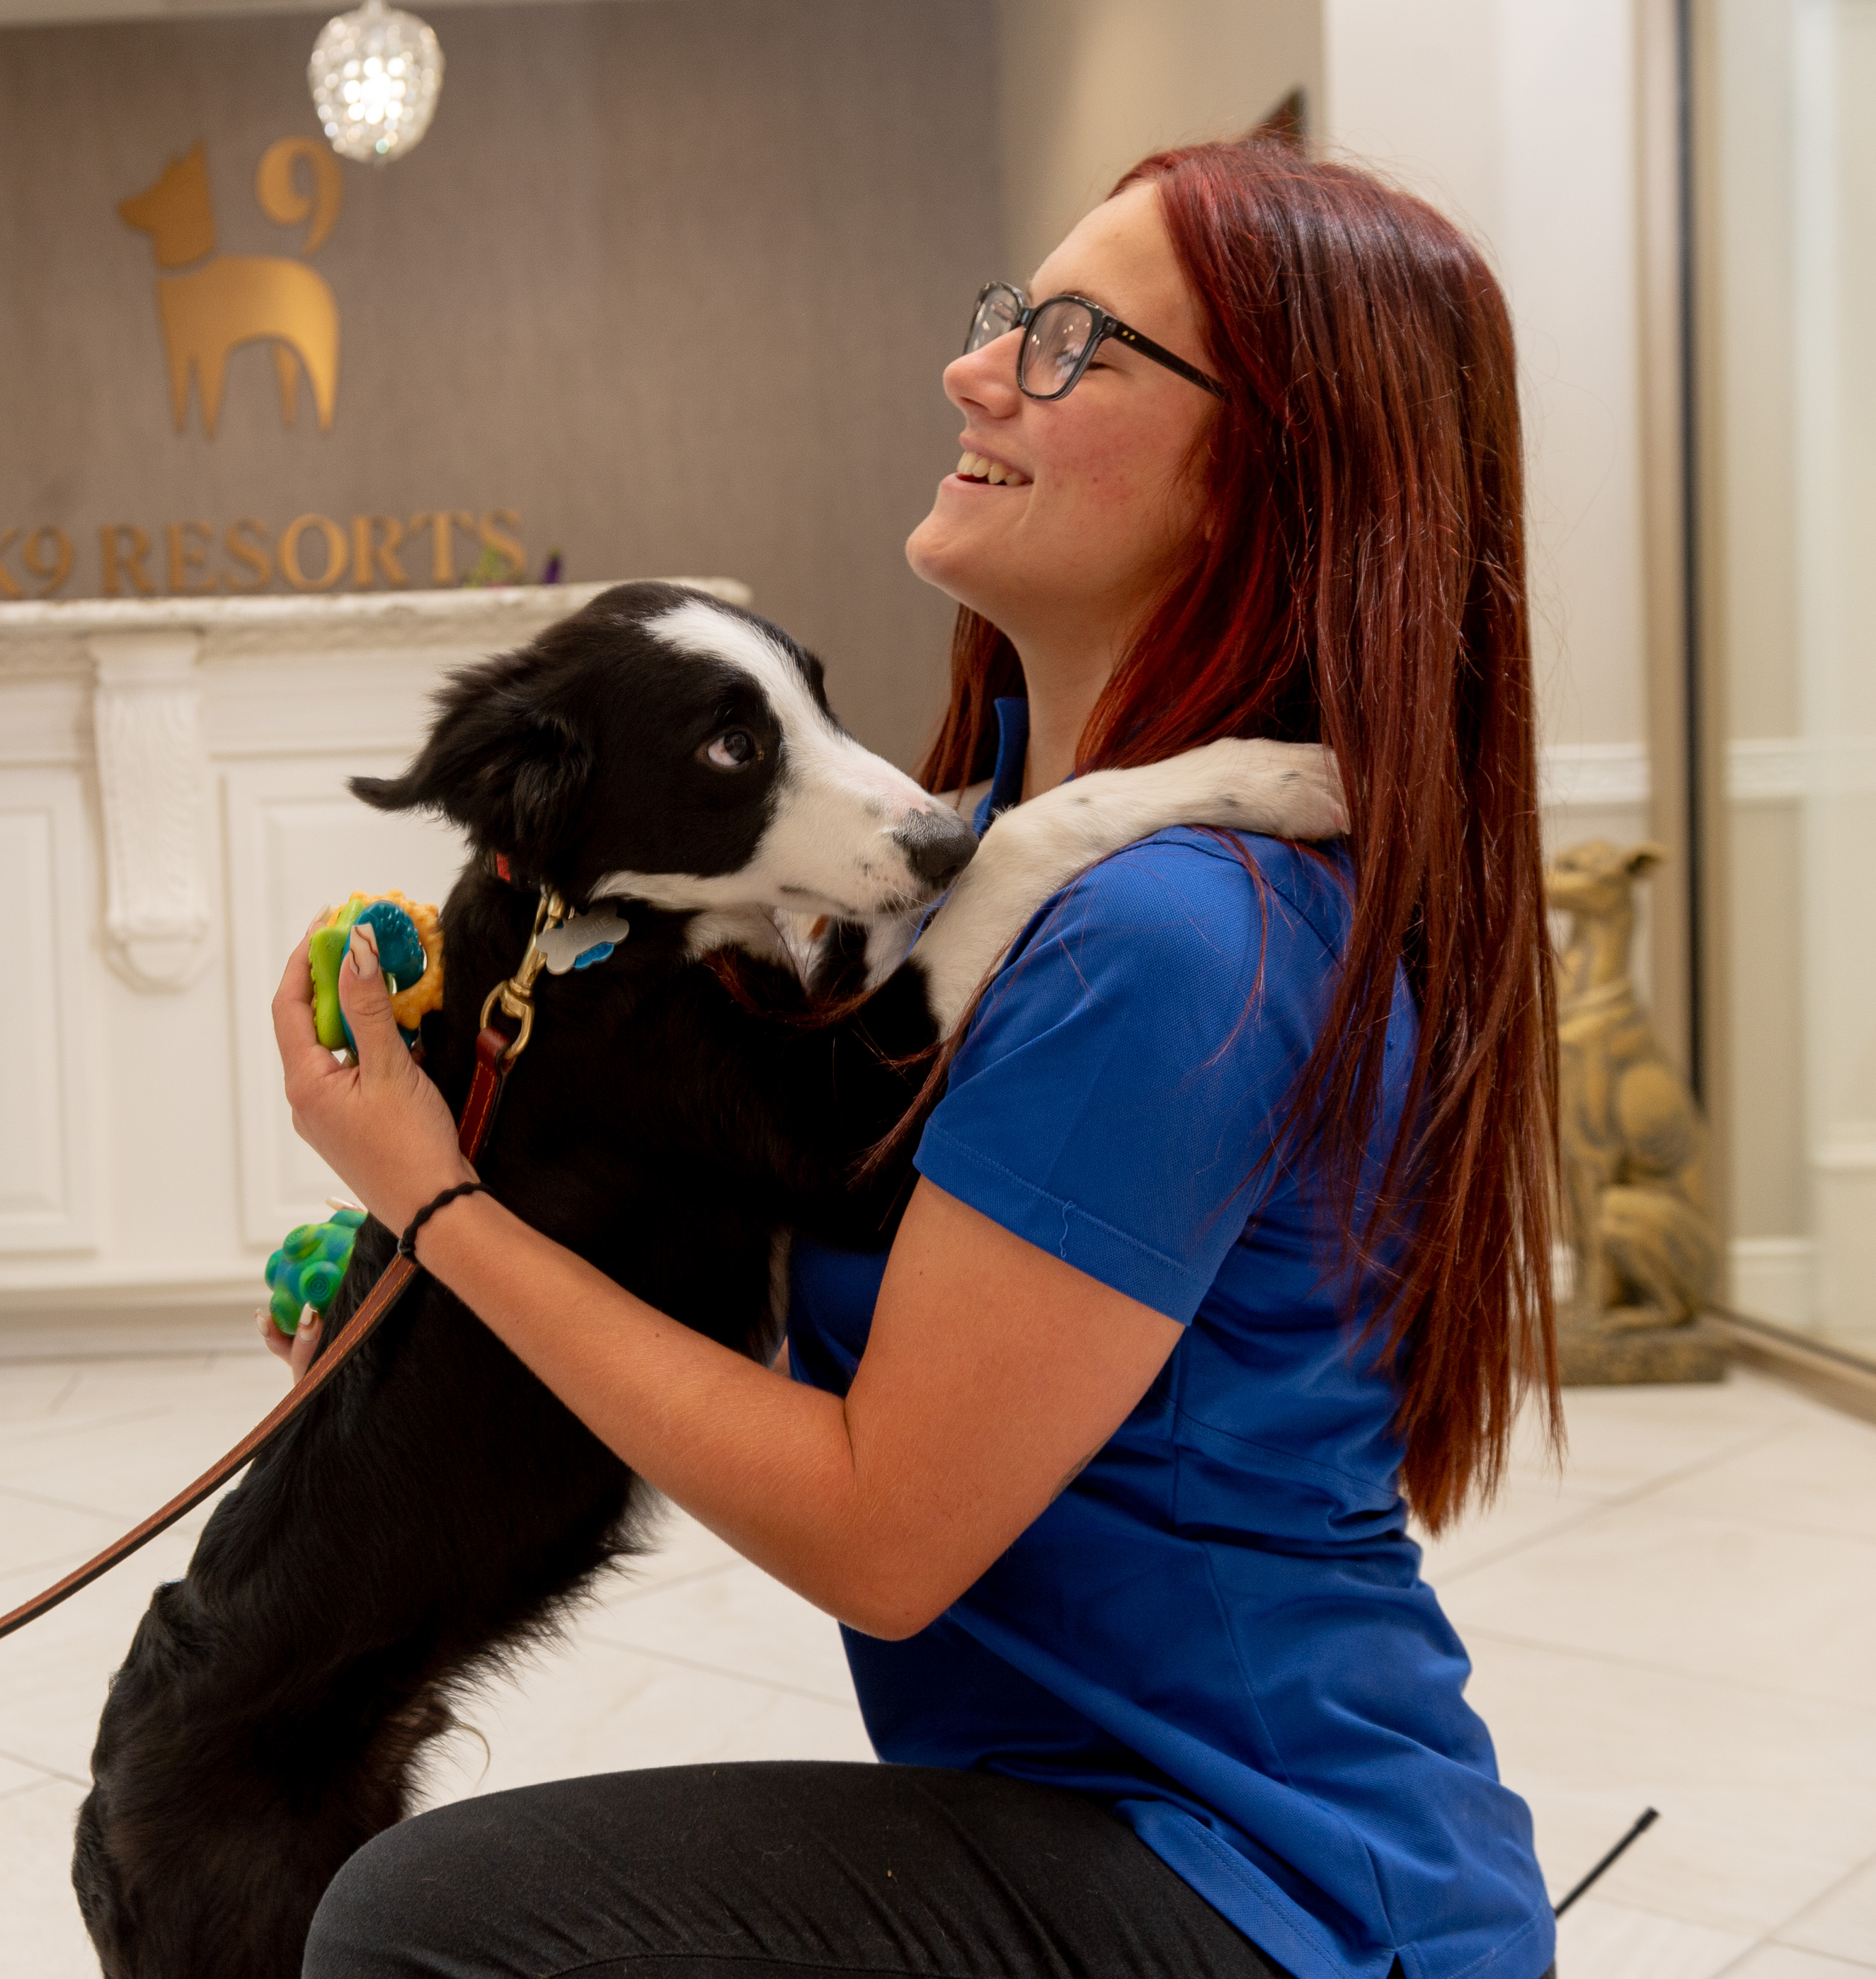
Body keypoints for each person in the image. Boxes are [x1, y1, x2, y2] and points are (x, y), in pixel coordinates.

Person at [270, 142, 1562, 1979]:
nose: (978, 370)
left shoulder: (1175, 938)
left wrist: (439, 1201)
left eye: (1075, 344)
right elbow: (820, 1310)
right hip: (1106, 1819)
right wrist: (435, 1312)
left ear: (1260, 475)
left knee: (431, 1924)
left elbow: (886, 1529)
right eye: (1002, 321)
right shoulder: (1019, 874)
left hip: (1282, 1896)